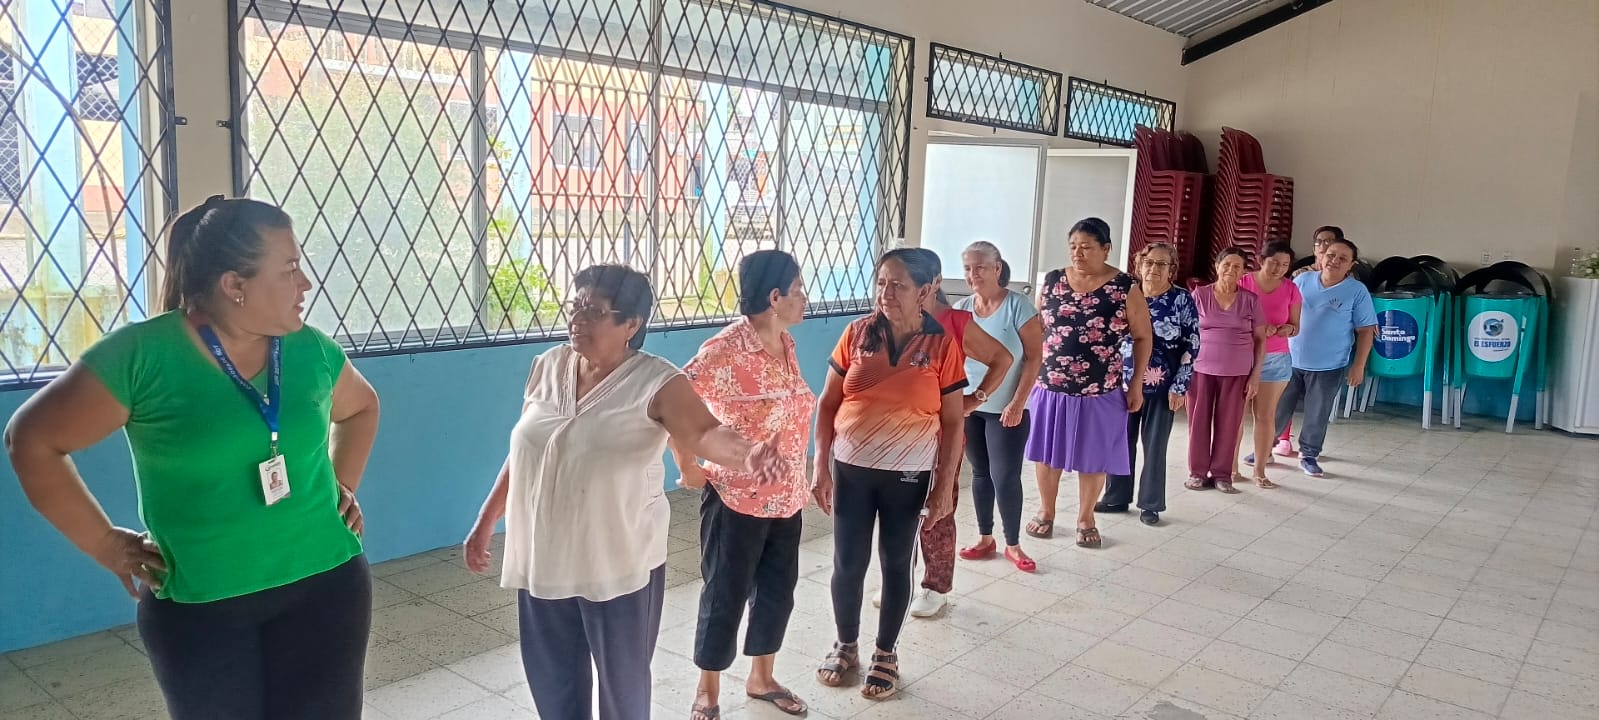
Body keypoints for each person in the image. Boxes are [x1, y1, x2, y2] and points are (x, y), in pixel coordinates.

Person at [5, 196, 380, 719]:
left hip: (326, 586)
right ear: (235, 285)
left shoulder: (310, 349)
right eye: (289, 269)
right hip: (203, 604)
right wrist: (105, 544)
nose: (306, 283)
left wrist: (342, 486)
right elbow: (31, 441)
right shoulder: (141, 357)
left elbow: (362, 408)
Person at [462, 265, 789, 720]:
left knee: (623, 687)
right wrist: (486, 519)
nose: (577, 319)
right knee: (553, 682)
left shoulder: (656, 381)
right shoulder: (547, 366)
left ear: (631, 324)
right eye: (575, 306)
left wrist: (750, 455)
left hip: (618, 561)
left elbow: (705, 433)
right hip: (543, 555)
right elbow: (527, 450)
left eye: (594, 311)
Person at [812, 248, 965, 701]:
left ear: (925, 290)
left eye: (898, 284)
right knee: (847, 561)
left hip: (908, 474)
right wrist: (820, 464)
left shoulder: (941, 345)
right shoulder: (857, 334)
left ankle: (886, 653)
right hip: (851, 469)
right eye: (881, 282)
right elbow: (828, 403)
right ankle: (846, 645)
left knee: (896, 561)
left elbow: (953, 421)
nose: (887, 292)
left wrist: (943, 487)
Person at [668, 250, 814, 719]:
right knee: (724, 594)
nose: (805, 298)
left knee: (777, 592)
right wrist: (688, 466)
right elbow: (673, 407)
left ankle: (761, 678)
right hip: (736, 499)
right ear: (774, 297)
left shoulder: (786, 343)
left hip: (786, 498)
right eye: (798, 290)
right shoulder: (724, 350)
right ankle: (707, 689)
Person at [895, 248, 1013, 617]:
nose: (894, 291)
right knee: (898, 509)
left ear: (931, 284)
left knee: (938, 507)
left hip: (940, 434)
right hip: (896, 434)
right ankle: (900, 580)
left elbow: (1002, 359)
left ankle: (936, 586)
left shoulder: (955, 322)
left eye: (903, 283)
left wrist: (975, 399)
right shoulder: (892, 319)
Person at [1026, 217, 1153, 549]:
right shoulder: (1053, 281)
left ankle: (1086, 518)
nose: (1077, 253)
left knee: (1094, 455)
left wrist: (1136, 384)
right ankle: (1046, 510)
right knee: (1047, 453)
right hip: (1051, 385)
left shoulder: (1125, 287)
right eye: (1073, 246)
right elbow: (1037, 329)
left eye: (1086, 247)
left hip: (1101, 388)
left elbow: (1143, 337)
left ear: (1106, 248)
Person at [1248, 238, 1376, 478]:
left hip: (1329, 365)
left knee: (1317, 412)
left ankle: (1309, 454)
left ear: (1351, 265)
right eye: (1331, 254)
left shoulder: (1357, 291)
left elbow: (1366, 330)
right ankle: (1265, 449)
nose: (1334, 261)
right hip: (1289, 359)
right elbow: (1286, 312)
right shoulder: (1302, 280)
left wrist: (1359, 365)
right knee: (1277, 408)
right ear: (1321, 255)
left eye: (1343, 258)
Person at [955, 241, 1043, 567]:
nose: (973, 274)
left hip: (1007, 409)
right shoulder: (962, 308)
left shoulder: (1018, 306)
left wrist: (1018, 403)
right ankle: (985, 537)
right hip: (970, 406)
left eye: (980, 267)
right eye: (967, 268)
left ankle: (1013, 544)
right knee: (980, 472)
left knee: (1005, 476)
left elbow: (1034, 358)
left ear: (997, 268)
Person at [1096, 242, 1197, 525]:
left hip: (1162, 385)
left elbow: (1192, 343)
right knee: (1119, 442)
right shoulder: (1127, 294)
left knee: (1155, 446)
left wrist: (1180, 385)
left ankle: (1150, 503)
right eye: (1149, 262)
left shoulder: (1181, 299)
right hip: (1123, 383)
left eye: (1162, 264)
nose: (1154, 268)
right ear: (1139, 265)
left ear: (1171, 269)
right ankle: (1116, 497)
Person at [1184, 249, 1267, 493]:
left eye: (1237, 266)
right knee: (1198, 423)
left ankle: (1222, 474)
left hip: (1237, 372)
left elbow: (1260, 340)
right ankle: (1197, 473)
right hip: (1200, 369)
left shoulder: (1250, 300)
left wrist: (1255, 375)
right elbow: (1186, 334)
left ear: (1244, 272)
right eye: (1227, 264)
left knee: (1229, 424)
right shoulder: (1199, 295)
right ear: (1217, 266)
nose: (1231, 270)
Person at [1237, 242, 1301, 487]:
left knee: (1265, 416)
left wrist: (1287, 329)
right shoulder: (1243, 282)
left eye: (1284, 265)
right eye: (1274, 263)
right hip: (1242, 357)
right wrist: (1258, 329)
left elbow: (1296, 326)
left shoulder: (1291, 289)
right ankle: (1230, 469)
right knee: (1236, 416)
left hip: (1276, 359)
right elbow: (1232, 319)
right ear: (1261, 260)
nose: (1278, 269)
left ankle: (1260, 471)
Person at [1280, 225, 1342, 455]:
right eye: (1319, 242)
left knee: (1317, 405)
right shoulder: (1300, 275)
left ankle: (1309, 451)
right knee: (1283, 396)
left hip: (1327, 354)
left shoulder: (1347, 278)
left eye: (1329, 241)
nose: (1324, 246)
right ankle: (1280, 439)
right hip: (1294, 346)